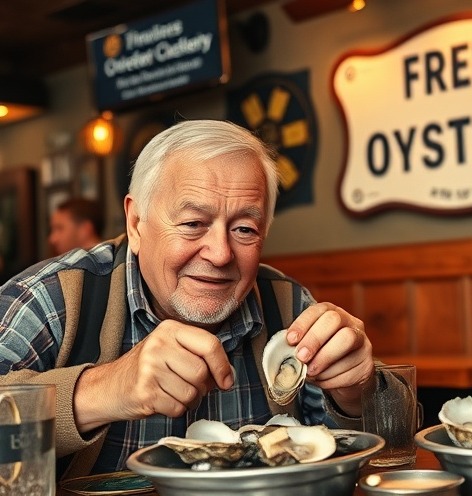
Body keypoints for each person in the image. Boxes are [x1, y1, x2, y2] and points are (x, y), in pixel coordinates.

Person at [0, 120, 385, 478]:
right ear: (136, 224)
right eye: (192, 224)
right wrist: (103, 389)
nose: (220, 253)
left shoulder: (288, 305)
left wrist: (356, 395)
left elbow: (372, 445)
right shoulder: (53, 299)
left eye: (244, 229)